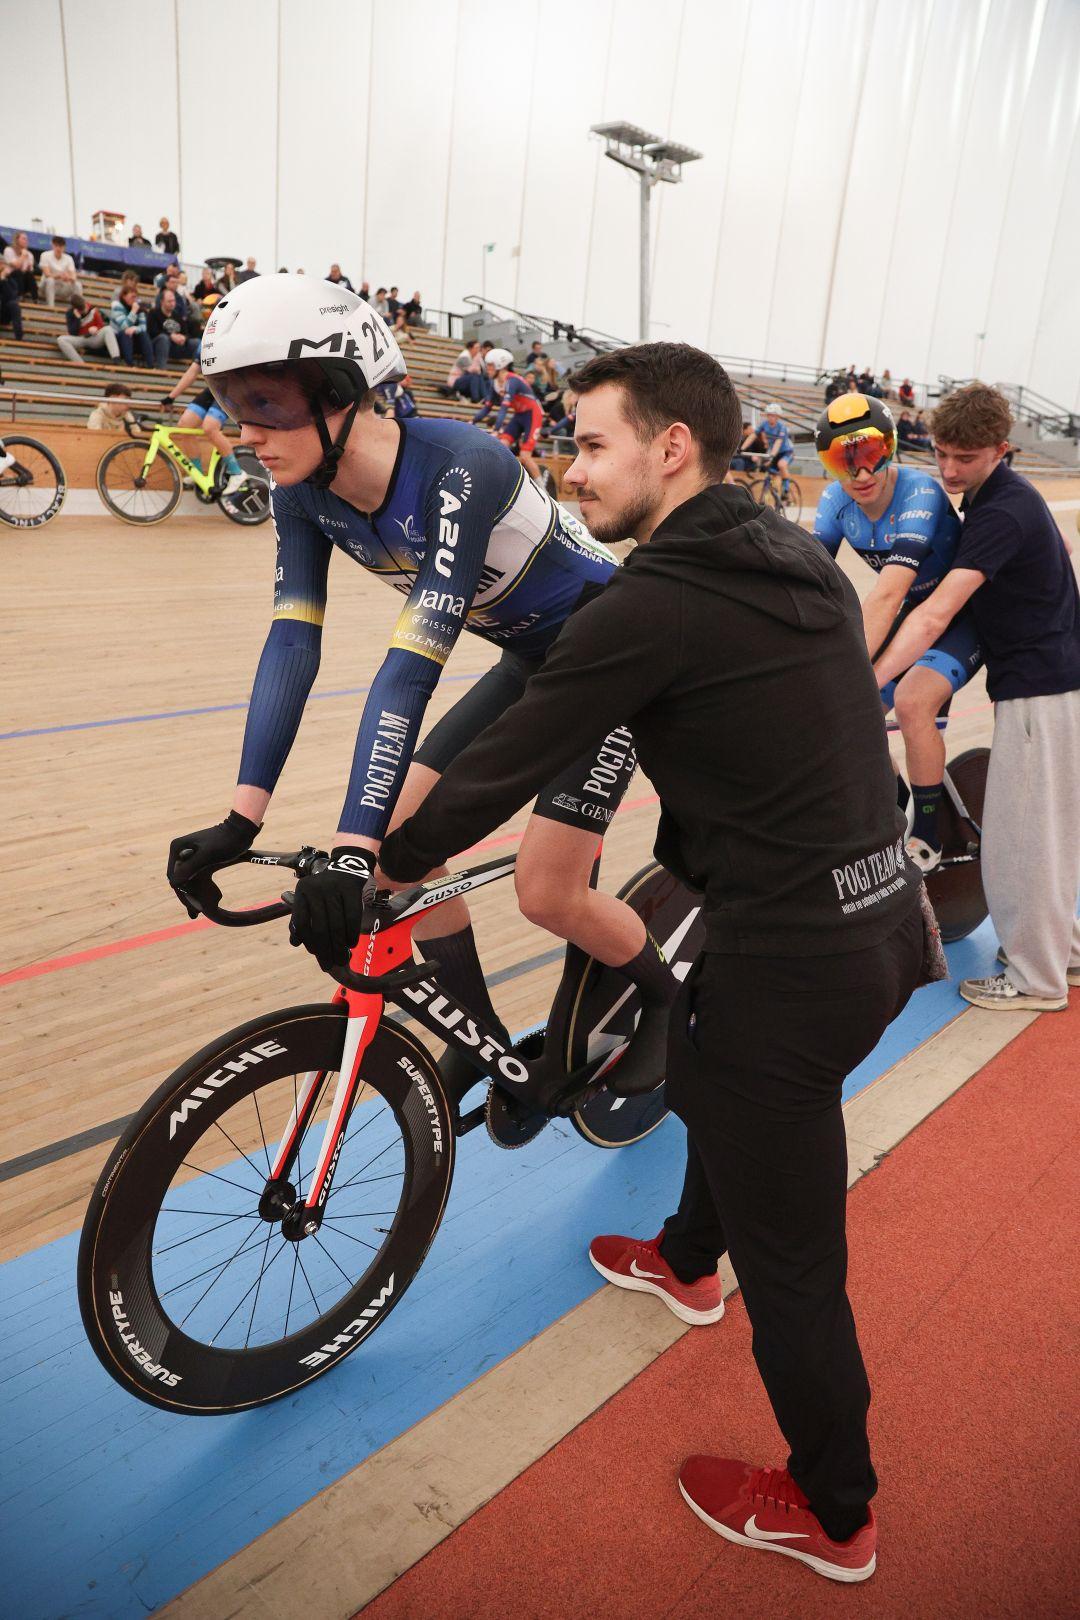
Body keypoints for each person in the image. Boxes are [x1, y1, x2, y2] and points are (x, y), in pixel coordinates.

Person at [376, 341, 928, 1587]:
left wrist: (381, 869)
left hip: (797, 963)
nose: (570, 474)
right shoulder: (790, 552)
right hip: (880, 921)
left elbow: (515, 751)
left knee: (794, 1260)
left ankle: (837, 1510)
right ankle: (684, 1260)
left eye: (591, 445)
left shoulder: (653, 602)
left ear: (673, 447)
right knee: (720, 1090)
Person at [167, 276, 666, 1129]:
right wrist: (240, 819)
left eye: (262, 403)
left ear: (338, 394)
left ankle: (664, 999)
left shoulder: (462, 467)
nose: (243, 431)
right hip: (531, 660)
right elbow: (292, 646)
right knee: (400, 841)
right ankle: (480, 1037)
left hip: (616, 666)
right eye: (229, 403)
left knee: (547, 892)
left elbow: (410, 667)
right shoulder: (302, 492)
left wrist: (349, 848)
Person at [873, 383, 1080, 1012]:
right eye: (941, 454)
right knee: (1049, 833)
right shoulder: (1004, 497)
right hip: (1051, 682)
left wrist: (868, 678)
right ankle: (1064, 951)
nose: (950, 470)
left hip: (1038, 690)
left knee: (1020, 843)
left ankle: (1036, 980)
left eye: (966, 458)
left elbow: (935, 615)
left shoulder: (1001, 512)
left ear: (1001, 449)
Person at [813, 394, 982, 870]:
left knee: (910, 703)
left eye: (872, 454)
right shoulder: (834, 501)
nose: (861, 473)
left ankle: (926, 836)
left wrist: (853, 672)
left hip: (961, 618)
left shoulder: (919, 493)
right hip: (914, 615)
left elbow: (887, 596)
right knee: (847, 715)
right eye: (844, 462)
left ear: (890, 448)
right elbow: (806, 581)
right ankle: (898, 806)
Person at [161, 358, 249, 496]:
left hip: (234, 387)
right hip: (215, 387)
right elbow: (192, 372)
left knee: (210, 427)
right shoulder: (202, 347)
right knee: (185, 425)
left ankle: (237, 472)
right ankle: (197, 473)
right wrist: (171, 397)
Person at [476, 348, 545, 484]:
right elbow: (487, 407)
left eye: (490, 366)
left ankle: (544, 491)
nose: (487, 369)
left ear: (500, 366)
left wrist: (497, 429)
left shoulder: (512, 380)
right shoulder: (495, 383)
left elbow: (504, 408)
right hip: (519, 415)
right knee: (501, 447)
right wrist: (471, 421)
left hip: (532, 415)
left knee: (525, 456)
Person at [740, 403, 794, 500]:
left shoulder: (782, 427)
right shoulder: (764, 425)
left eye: (773, 415)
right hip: (774, 453)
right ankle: (776, 495)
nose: (770, 417)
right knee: (770, 472)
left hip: (786, 452)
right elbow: (753, 436)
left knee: (781, 465)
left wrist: (772, 454)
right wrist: (742, 448)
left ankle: (786, 490)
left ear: (777, 417)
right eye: (768, 415)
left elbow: (778, 442)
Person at [57, 294, 121, 363]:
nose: (84, 310)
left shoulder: (92, 309)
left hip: (94, 338)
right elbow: (72, 333)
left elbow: (101, 325)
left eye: (84, 308)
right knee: (61, 339)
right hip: (80, 339)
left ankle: (116, 359)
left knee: (108, 329)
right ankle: (80, 363)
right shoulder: (70, 313)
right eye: (81, 310)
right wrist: (77, 319)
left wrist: (96, 329)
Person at [148, 288, 199, 368]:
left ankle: (194, 370)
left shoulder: (177, 316)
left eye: (174, 301)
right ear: (162, 302)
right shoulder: (153, 313)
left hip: (177, 346)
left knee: (196, 342)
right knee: (163, 338)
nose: (172, 304)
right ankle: (161, 369)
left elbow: (186, 333)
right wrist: (171, 336)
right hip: (160, 345)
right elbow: (152, 331)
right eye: (169, 301)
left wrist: (184, 338)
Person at [110, 285, 154, 366]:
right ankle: (129, 364)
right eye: (132, 297)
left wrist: (135, 328)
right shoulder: (117, 306)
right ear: (124, 296)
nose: (134, 300)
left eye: (136, 297)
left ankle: (150, 365)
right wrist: (133, 311)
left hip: (132, 338)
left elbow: (143, 327)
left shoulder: (138, 307)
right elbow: (124, 326)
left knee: (143, 334)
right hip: (117, 338)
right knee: (125, 334)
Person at [39, 235, 82, 307]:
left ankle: (79, 308)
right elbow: (47, 274)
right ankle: (51, 307)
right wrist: (60, 276)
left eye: (61, 246)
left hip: (62, 288)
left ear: (64, 247)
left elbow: (74, 277)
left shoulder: (69, 258)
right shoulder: (45, 255)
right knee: (50, 280)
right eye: (56, 246)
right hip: (46, 287)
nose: (58, 248)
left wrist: (68, 277)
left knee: (78, 285)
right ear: (52, 245)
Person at [441, 338, 485, 403]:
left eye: (479, 348)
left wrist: (478, 360)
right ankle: (476, 398)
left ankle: (484, 398)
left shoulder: (476, 356)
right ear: (470, 348)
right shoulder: (464, 356)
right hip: (456, 381)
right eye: (476, 348)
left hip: (466, 381)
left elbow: (481, 371)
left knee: (483, 378)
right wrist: (478, 359)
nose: (478, 350)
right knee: (475, 376)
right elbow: (470, 371)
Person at [3, 231, 38, 299]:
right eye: (24, 239)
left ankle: (35, 299)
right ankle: (19, 296)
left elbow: (30, 270)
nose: (26, 241)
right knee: (18, 272)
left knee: (29, 274)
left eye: (27, 239)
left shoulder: (29, 254)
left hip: (24, 280)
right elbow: (16, 266)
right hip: (10, 279)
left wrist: (28, 268)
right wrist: (23, 256)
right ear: (17, 240)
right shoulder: (8, 250)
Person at [0, 262, 24, 341]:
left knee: (14, 304)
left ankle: (19, 336)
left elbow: (11, 296)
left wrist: (3, 279)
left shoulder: (11, 280)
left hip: (4, 314)